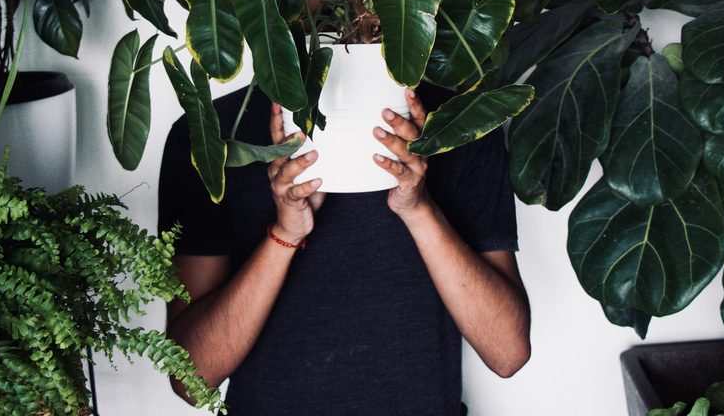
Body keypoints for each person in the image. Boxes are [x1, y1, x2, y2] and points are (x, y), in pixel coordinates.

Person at [158, 82, 531, 416]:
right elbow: (191, 379)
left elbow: (507, 353)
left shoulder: (463, 125)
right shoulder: (210, 136)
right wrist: (285, 234)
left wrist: (418, 209)